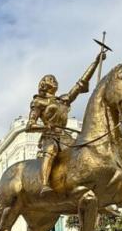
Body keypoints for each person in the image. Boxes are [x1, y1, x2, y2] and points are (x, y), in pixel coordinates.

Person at [26, 51, 105, 195]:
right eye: (49, 79)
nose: (54, 80)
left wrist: (96, 62)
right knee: (50, 151)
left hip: (64, 136)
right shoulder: (38, 101)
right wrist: (45, 126)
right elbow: (30, 125)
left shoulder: (63, 100)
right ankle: (44, 184)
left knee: (82, 152)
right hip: (50, 136)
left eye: (54, 79)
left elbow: (80, 84)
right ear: (43, 84)